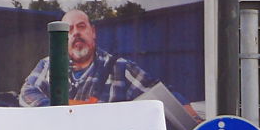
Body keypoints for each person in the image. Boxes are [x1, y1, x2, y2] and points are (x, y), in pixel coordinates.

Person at [19, 8, 159, 107]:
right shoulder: (48, 65)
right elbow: (27, 94)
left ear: (93, 32)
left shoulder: (121, 68)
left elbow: (161, 98)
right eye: (68, 30)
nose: (75, 33)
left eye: (81, 26)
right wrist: (57, 109)